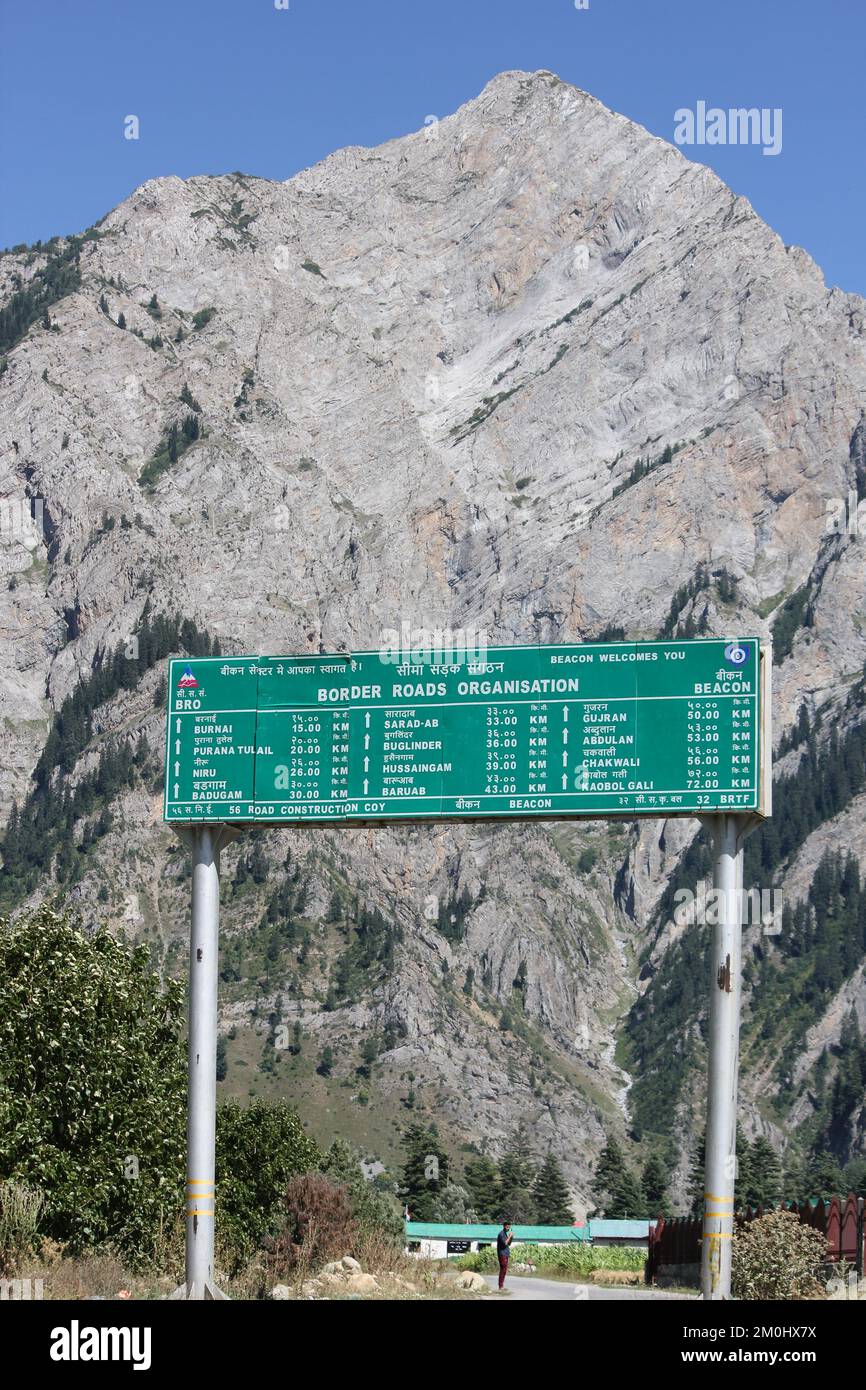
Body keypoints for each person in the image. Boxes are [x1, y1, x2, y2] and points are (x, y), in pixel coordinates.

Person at [496, 1220, 513, 1290]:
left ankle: (501, 1285)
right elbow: (505, 1243)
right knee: (503, 1270)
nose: (508, 1228)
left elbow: (509, 1244)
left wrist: (511, 1237)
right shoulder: (501, 1234)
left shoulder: (505, 1234)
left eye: (509, 1227)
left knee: (504, 1270)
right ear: (504, 1226)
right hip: (502, 1254)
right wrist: (509, 1237)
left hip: (505, 1254)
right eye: (507, 1227)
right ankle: (500, 1286)